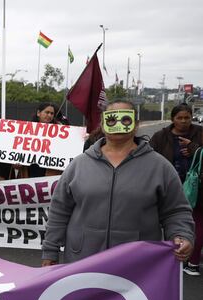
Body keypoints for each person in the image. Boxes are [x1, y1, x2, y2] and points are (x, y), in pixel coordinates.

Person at [42, 100, 194, 266]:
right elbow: (59, 210)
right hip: (82, 262)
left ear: (136, 125)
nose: (118, 124)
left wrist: (182, 234)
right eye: (112, 120)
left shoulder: (160, 167)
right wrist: (50, 251)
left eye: (126, 120)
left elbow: (176, 211)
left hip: (136, 265)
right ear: (103, 123)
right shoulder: (79, 165)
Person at [149, 102, 203, 275]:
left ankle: (190, 258)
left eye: (187, 117)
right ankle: (162, 256)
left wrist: (194, 148)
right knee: (162, 222)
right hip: (167, 187)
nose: (184, 121)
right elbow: (148, 155)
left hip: (195, 189)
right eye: (179, 118)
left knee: (191, 222)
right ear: (172, 119)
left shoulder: (200, 133)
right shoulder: (160, 136)